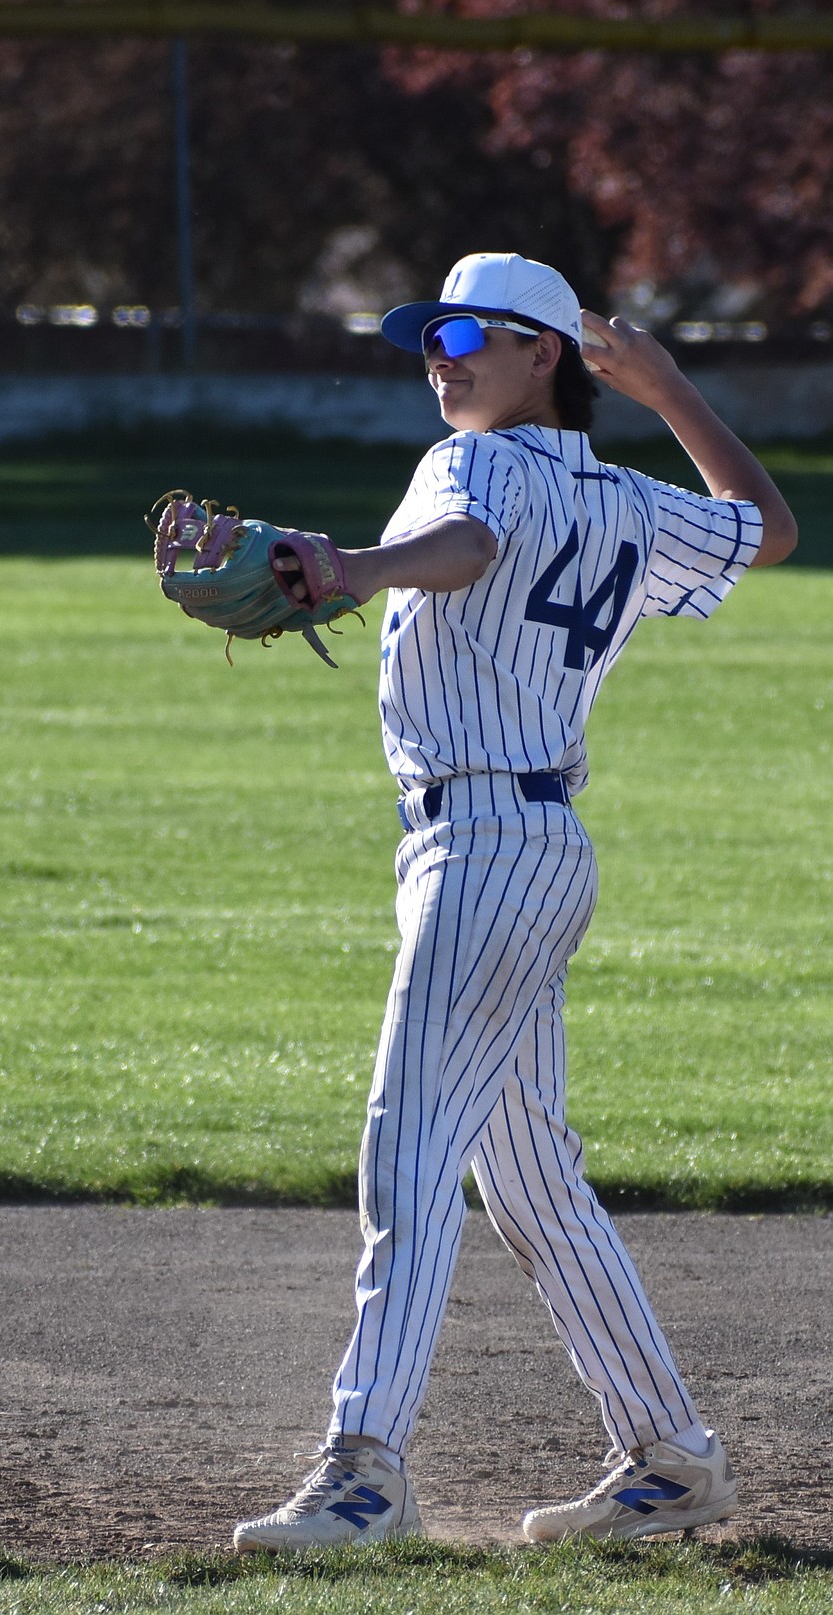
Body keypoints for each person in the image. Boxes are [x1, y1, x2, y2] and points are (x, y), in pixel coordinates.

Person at [232, 252, 797, 1552]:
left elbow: (466, 544)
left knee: (409, 1149)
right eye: (427, 340)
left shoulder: (472, 463)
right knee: (528, 1176)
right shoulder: (624, 497)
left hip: (481, 842)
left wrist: (356, 565)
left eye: (469, 337)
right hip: (541, 848)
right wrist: (667, 390)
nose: (441, 359)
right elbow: (764, 529)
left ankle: (362, 1468)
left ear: (543, 351)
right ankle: (668, 1456)